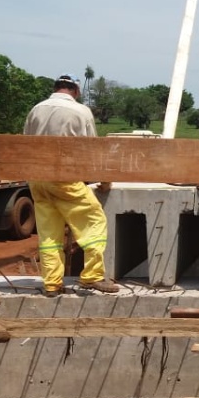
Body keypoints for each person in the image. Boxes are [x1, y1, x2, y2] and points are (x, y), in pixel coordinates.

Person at [23, 74, 120, 296]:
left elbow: (25, 143)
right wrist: (104, 181)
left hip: (38, 179)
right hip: (64, 177)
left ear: (56, 88)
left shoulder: (36, 109)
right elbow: (92, 150)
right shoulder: (80, 111)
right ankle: (93, 276)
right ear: (75, 90)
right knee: (94, 221)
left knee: (49, 233)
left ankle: (52, 283)